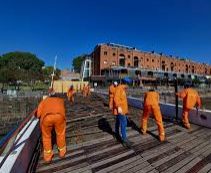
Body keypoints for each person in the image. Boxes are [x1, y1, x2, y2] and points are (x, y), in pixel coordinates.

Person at [36, 89, 66, 163]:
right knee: (60, 134)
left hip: (47, 118)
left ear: (49, 95)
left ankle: (48, 157)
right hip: (59, 117)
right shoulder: (60, 100)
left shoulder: (44, 101)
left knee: (46, 136)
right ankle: (62, 153)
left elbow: (38, 114)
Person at [113, 83, 132, 147]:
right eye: (128, 85)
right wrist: (119, 107)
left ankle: (117, 135)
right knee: (124, 123)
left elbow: (122, 100)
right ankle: (124, 140)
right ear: (125, 84)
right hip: (121, 110)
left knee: (118, 122)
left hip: (122, 109)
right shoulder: (120, 88)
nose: (128, 87)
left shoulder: (122, 89)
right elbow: (116, 99)